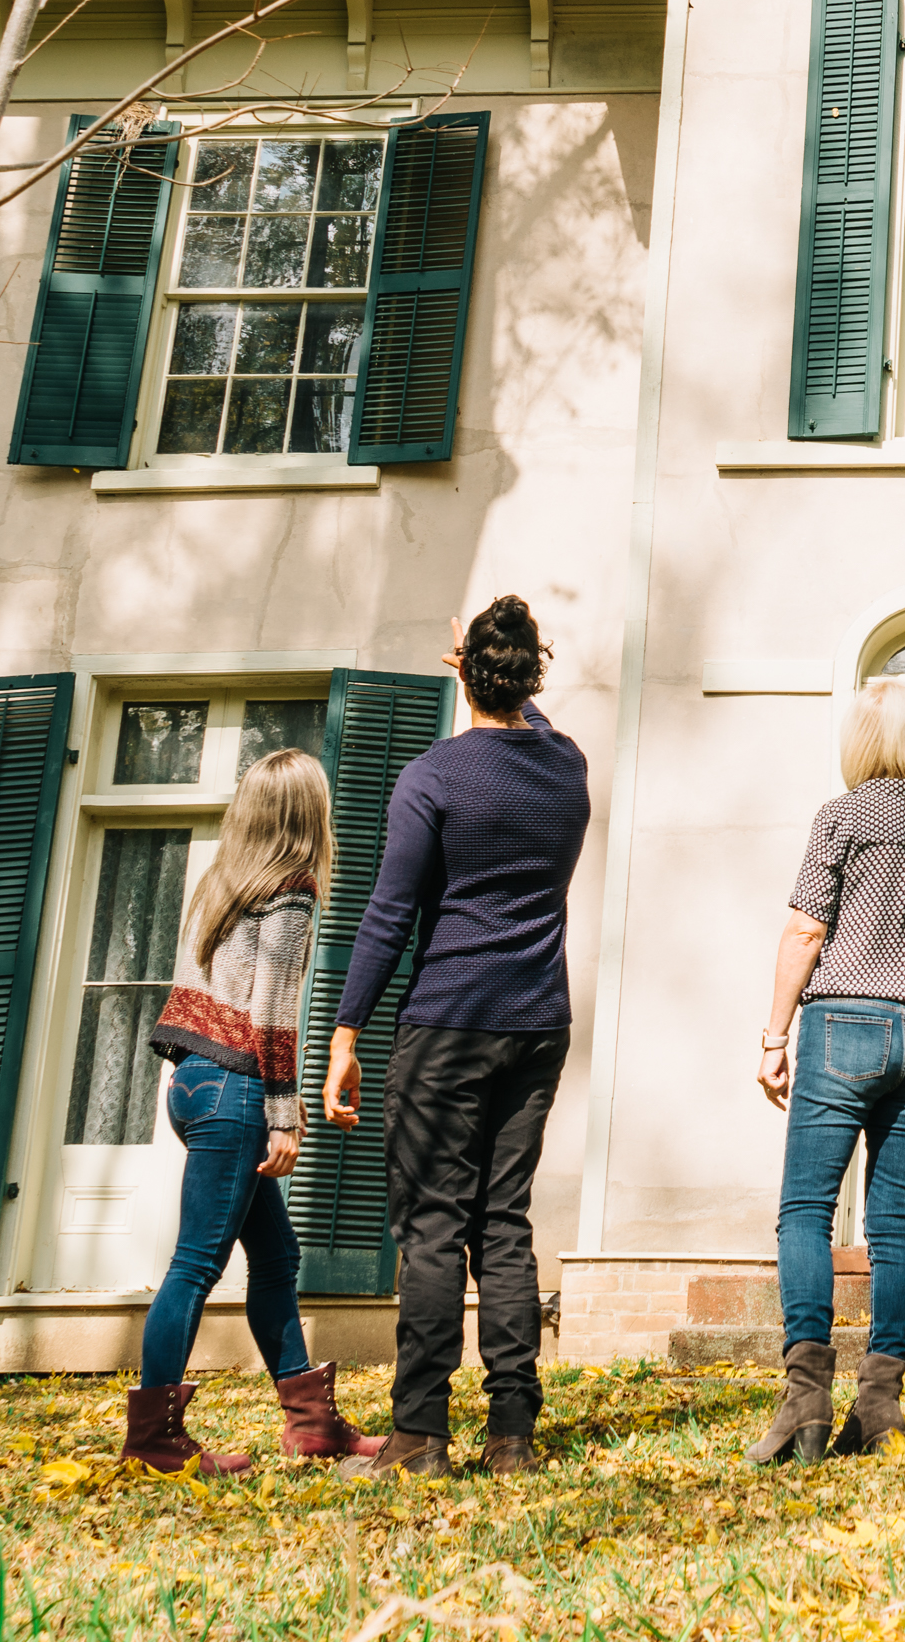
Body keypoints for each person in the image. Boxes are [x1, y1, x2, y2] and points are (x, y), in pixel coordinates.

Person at [322, 597, 589, 1479]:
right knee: (503, 1222)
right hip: (537, 1024)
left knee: (433, 1225)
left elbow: (390, 914)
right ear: (530, 679)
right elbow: (531, 727)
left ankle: (419, 1435)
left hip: (446, 1023)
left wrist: (347, 1029)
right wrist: (499, 681)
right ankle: (513, 1432)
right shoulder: (566, 769)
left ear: (465, 674)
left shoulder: (432, 777)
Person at [746, 678, 905, 1465]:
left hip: (841, 1023)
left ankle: (806, 1402)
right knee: (894, 1225)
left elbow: (804, 929)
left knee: (806, 1212)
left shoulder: (841, 818)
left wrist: (773, 1033)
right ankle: (881, 1404)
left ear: (861, 741)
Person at [123, 746, 380, 1474]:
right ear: (309, 816)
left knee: (275, 1254)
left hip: (192, 1082)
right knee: (197, 1263)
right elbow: (270, 1014)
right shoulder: (292, 890)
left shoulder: (223, 882)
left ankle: (312, 1424)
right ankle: (154, 1439)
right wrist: (285, 1113)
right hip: (239, 1088)